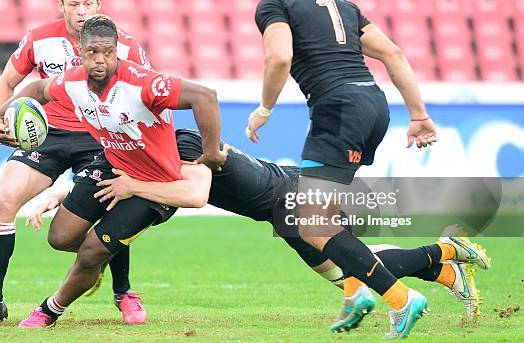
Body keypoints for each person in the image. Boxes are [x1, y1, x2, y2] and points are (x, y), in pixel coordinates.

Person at [29, 128, 488, 322]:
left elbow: (194, 193)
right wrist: (60, 192)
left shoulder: (185, 143)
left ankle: (446, 252)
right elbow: (111, 172)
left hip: (292, 198)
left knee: (355, 271)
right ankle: (447, 268)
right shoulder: (155, 148)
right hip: (282, 203)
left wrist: (132, 190)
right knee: (350, 275)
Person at [247, 0, 440, 338]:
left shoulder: (275, 4)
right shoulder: (341, 4)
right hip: (373, 104)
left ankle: (400, 299)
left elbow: (279, 56)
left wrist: (264, 109)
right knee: (325, 217)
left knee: (310, 224)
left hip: (337, 109)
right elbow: (394, 54)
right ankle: (357, 291)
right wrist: (419, 115)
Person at [0, 14, 226, 328]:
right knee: (60, 237)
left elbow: (205, 97)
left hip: (154, 184)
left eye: (108, 53)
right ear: (81, 53)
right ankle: (100, 262)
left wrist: (210, 154)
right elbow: (36, 89)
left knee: (90, 252)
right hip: (112, 166)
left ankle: (49, 310)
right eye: (92, 53)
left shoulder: (143, 83)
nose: (100, 60)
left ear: (116, 51)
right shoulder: (71, 81)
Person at [0, 0, 150, 325]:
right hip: (48, 133)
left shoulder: (125, 44)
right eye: (74, 4)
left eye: (88, 3)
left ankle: (123, 292)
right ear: (60, 5)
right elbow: (6, 82)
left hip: (100, 135)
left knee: (113, 206)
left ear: (100, 4)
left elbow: (144, 97)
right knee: (4, 198)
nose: (82, 10)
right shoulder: (39, 39)